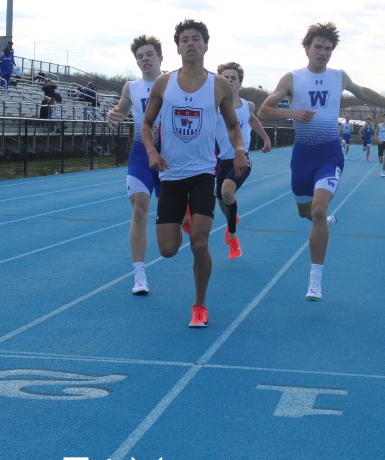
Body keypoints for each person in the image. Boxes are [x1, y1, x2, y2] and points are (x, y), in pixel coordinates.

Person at [258, 22, 385, 300]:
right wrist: (292, 113)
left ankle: (315, 281)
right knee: (306, 213)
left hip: (329, 154)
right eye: (318, 47)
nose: (323, 52)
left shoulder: (338, 77)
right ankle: (324, 222)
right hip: (302, 156)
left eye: (328, 49)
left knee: (318, 211)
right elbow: (264, 110)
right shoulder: (291, 79)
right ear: (306, 48)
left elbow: (363, 92)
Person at [140, 19, 246, 328]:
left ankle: (200, 305)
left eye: (196, 38)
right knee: (167, 250)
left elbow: (232, 125)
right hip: (171, 175)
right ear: (177, 47)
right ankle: (186, 217)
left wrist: (239, 148)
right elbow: (146, 124)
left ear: (205, 45)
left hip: (203, 173)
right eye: (184, 39)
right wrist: (152, 152)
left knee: (200, 244)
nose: (190, 43)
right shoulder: (164, 83)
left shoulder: (219, 85)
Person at [107, 35, 164, 296]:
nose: (145, 59)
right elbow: (120, 110)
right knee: (139, 210)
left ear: (160, 57)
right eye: (140, 56)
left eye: (149, 54)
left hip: (171, 157)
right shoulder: (131, 87)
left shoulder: (174, 83)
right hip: (141, 154)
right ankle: (139, 275)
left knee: (179, 221)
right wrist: (114, 115)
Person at [215, 61, 272, 260]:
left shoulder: (247, 106)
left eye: (233, 78)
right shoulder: (214, 106)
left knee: (227, 191)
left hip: (242, 159)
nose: (229, 81)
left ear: (240, 83)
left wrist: (265, 138)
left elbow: (252, 119)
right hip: (221, 161)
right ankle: (232, 217)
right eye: (225, 78)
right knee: (222, 200)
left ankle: (233, 237)